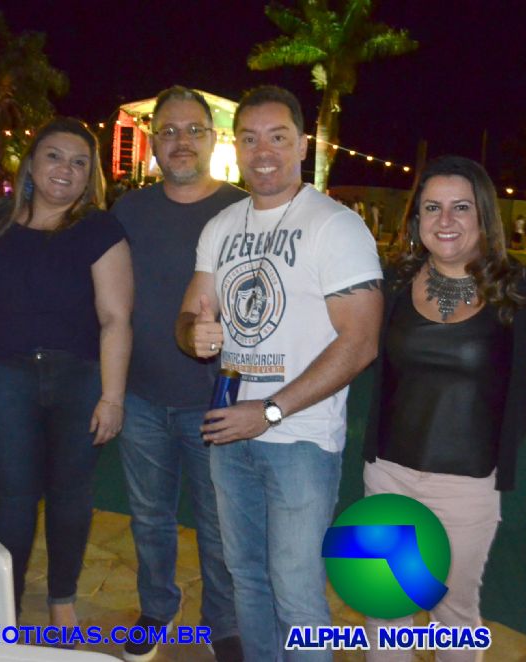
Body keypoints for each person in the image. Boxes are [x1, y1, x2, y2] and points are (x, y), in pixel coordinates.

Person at [175, 85, 383, 661]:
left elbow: (361, 342)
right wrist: (194, 333)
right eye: (249, 138)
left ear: (303, 144)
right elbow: (190, 316)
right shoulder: (221, 226)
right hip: (230, 433)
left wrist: (268, 411)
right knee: (246, 579)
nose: (262, 151)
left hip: (300, 440)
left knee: (296, 595)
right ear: (235, 146)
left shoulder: (335, 226)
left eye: (277, 137)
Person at [362, 156, 526, 661]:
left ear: (484, 216)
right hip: (389, 475)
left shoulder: (518, 289)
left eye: (461, 207)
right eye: (432, 207)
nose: (445, 220)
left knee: (453, 614)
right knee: (385, 608)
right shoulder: (394, 283)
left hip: (467, 486)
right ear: (416, 218)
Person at [0, 118, 132, 630]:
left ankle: (61, 596)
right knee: (11, 498)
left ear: (91, 175)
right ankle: (5, 601)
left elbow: (115, 318)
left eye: (79, 162)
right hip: (7, 375)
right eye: (54, 156)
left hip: (79, 378)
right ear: (31, 163)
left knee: (69, 495)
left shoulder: (100, 229)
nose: (66, 169)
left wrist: (112, 397)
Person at [111, 85, 245, 662]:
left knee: (220, 529)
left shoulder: (244, 210)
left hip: (217, 402)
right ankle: (157, 608)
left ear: (214, 139)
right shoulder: (128, 211)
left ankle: (224, 624)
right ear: (153, 140)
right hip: (141, 395)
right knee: (149, 519)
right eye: (168, 131)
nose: (181, 140)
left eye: (194, 130)